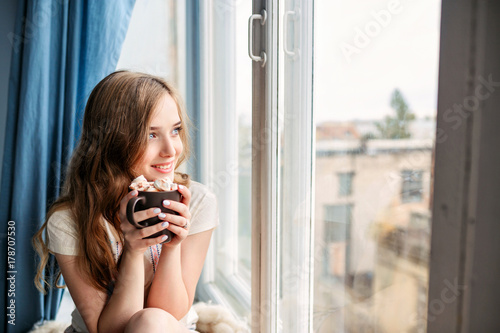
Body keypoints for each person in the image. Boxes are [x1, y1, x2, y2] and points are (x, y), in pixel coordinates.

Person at [33, 71, 218, 332]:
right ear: (114, 142)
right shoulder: (69, 221)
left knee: (152, 320)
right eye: (151, 135)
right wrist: (133, 250)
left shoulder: (197, 202)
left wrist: (171, 246)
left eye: (175, 130)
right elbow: (107, 330)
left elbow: (169, 314)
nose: (171, 150)